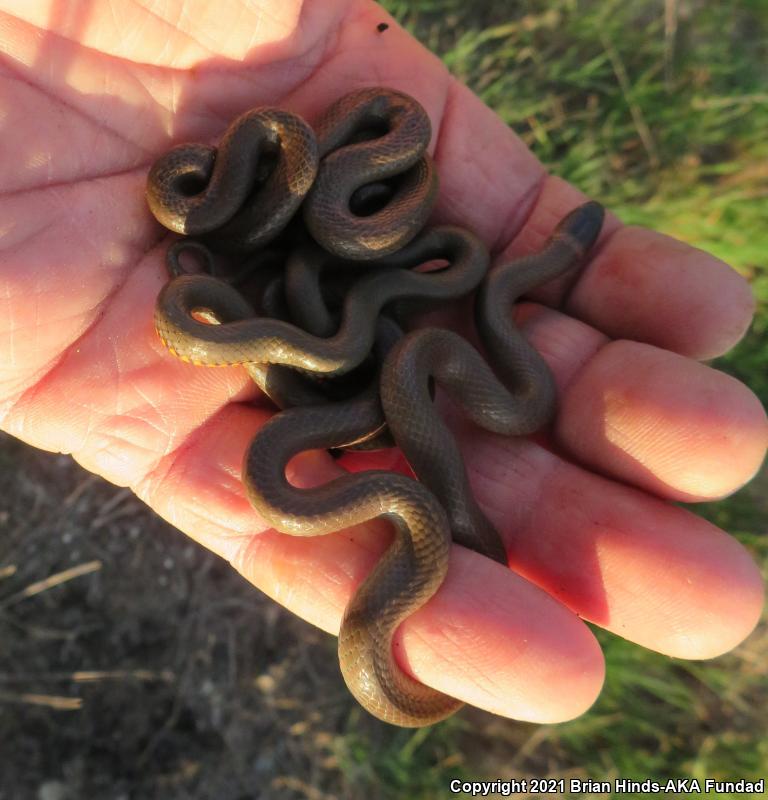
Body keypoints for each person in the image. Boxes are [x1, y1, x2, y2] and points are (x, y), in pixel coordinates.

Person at [0, 0, 764, 723]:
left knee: (416, 348)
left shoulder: (331, 215)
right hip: (302, 293)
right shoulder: (251, 197)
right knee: (370, 329)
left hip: (324, 300)